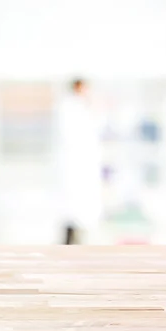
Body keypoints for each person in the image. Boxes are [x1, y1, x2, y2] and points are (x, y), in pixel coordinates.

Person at [55, 78, 103, 244]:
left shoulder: (83, 106)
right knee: (72, 207)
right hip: (74, 164)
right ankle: (70, 236)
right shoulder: (70, 107)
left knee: (81, 208)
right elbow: (72, 136)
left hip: (81, 163)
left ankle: (76, 235)